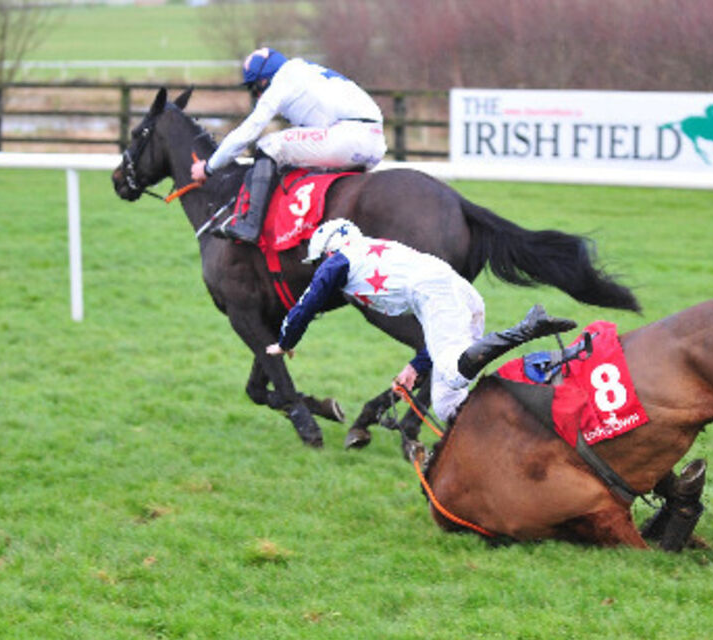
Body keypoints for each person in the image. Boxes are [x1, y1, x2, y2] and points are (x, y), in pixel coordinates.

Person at [265, 218, 576, 423]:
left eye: (319, 260)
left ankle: (525, 330)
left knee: (453, 373)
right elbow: (434, 325)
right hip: (453, 289)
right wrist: (416, 367)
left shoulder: (340, 259)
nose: (320, 267)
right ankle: (513, 416)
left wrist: (285, 342)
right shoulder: (376, 249)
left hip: (436, 292)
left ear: (329, 249)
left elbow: (307, 303)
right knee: (446, 403)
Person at [190, 47, 388, 244]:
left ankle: (250, 226)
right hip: (375, 143)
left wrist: (209, 167)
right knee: (293, 158)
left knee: (268, 145)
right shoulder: (302, 71)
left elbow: (248, 131)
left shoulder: (281, 82)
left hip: (347, 137)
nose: (257, 96)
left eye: (254, 88)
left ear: (263, 81)